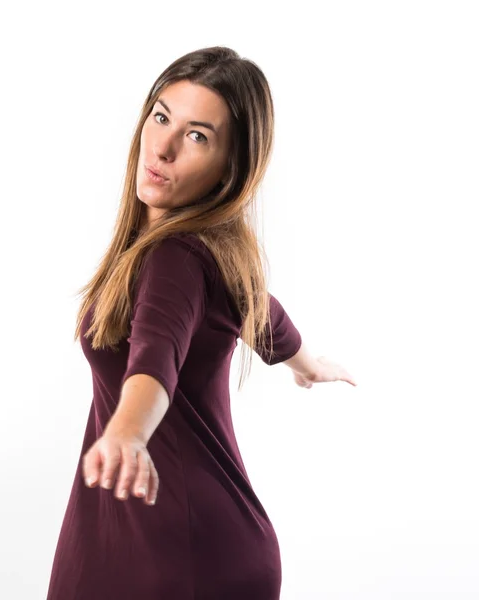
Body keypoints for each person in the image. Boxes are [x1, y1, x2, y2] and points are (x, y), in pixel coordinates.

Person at [45, 46, 356, 600]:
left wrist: (126, 432)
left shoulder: (176, 257)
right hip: (176, 540)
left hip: (176, 557)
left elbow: (153, 362)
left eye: (196, 136)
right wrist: (306, 364)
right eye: (161, 117)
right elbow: (264, 312)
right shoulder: (218, 253)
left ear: (229, 169)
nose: (160, 148)